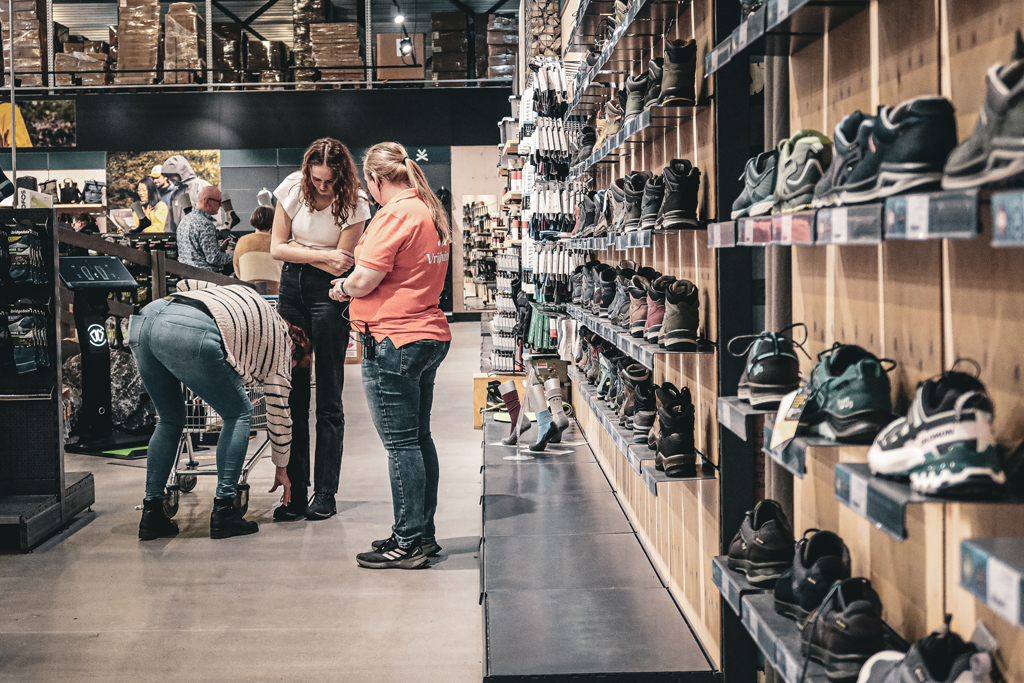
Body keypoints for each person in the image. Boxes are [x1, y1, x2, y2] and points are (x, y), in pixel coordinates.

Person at [329, 142, 452, 570]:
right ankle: (420, 531)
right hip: (426, 333)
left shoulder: (395, 215)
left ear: (375, 180)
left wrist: (342, 288)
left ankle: (409, 539)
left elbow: (364, 279)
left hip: (392, 339)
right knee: (418, 439)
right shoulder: (428, 210)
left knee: (401, 445)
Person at [126, 282, 312, 540]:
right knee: (238, 413)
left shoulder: (252, 303)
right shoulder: (282, 345)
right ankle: (224, 509)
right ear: (296, 350)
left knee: (169, 419)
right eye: (293, 367)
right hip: (187, 330)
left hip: (146, 319)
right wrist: (282, 467)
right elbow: (279, 413)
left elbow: (187, 283)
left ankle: (152, 514)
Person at [269, 138, 371, 521]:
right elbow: (276, 248)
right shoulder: (294, 187)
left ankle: (325, 491)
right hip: (290, 291)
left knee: (329, 394)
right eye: (317, 179)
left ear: (341, 176)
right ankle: (295, 491)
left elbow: (342, 265)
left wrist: (307, 251)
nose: (322, 187)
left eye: (330, 181)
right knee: (290, 394)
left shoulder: (356, 202)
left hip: (329, 296)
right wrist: (322, 254)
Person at [176, 185, 233, 272]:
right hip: (206, 279)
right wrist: (233, 254)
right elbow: (214, 259)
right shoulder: (205, 224)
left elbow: (195, 252)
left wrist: (219, 248)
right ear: (207, 200)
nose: (221, 205)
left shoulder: (184, 220)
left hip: (187, 277)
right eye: (219, 201)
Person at [161, 155, 222, 233]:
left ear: (180, 171)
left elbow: (215, 219)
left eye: (171, 175)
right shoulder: (175, 194)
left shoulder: (203, 187)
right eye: (167, 176)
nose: (169, 179)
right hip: (181, 242)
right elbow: (170, 225)